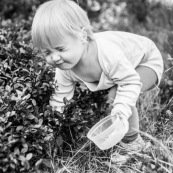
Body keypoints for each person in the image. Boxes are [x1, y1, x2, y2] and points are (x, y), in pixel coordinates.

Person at [31, 0, 164, 164]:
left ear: (82, 36)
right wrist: (50, 129)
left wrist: (121, 112)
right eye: (47, 52)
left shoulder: (107, 54)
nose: (55, 58)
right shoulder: (64, 68)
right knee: (113, 97)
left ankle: (133, 143)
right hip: (124, 70)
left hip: (146, 61)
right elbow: (60, 97)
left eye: (60, 49)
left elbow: (129, 83)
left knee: (117, 96)